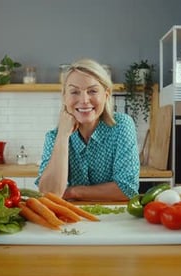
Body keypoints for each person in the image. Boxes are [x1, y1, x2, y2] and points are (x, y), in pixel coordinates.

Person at [35, 58, 140, 201]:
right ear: (64, 97)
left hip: (113, 218)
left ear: (106, 95)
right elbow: (48, 194)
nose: (84, 100)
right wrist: (63, 136)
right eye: (74, 92)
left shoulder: (122, 126)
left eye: (92, 91)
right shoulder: (54, 137)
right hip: (69, 218)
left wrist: (73, 192)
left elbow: (127, 189)